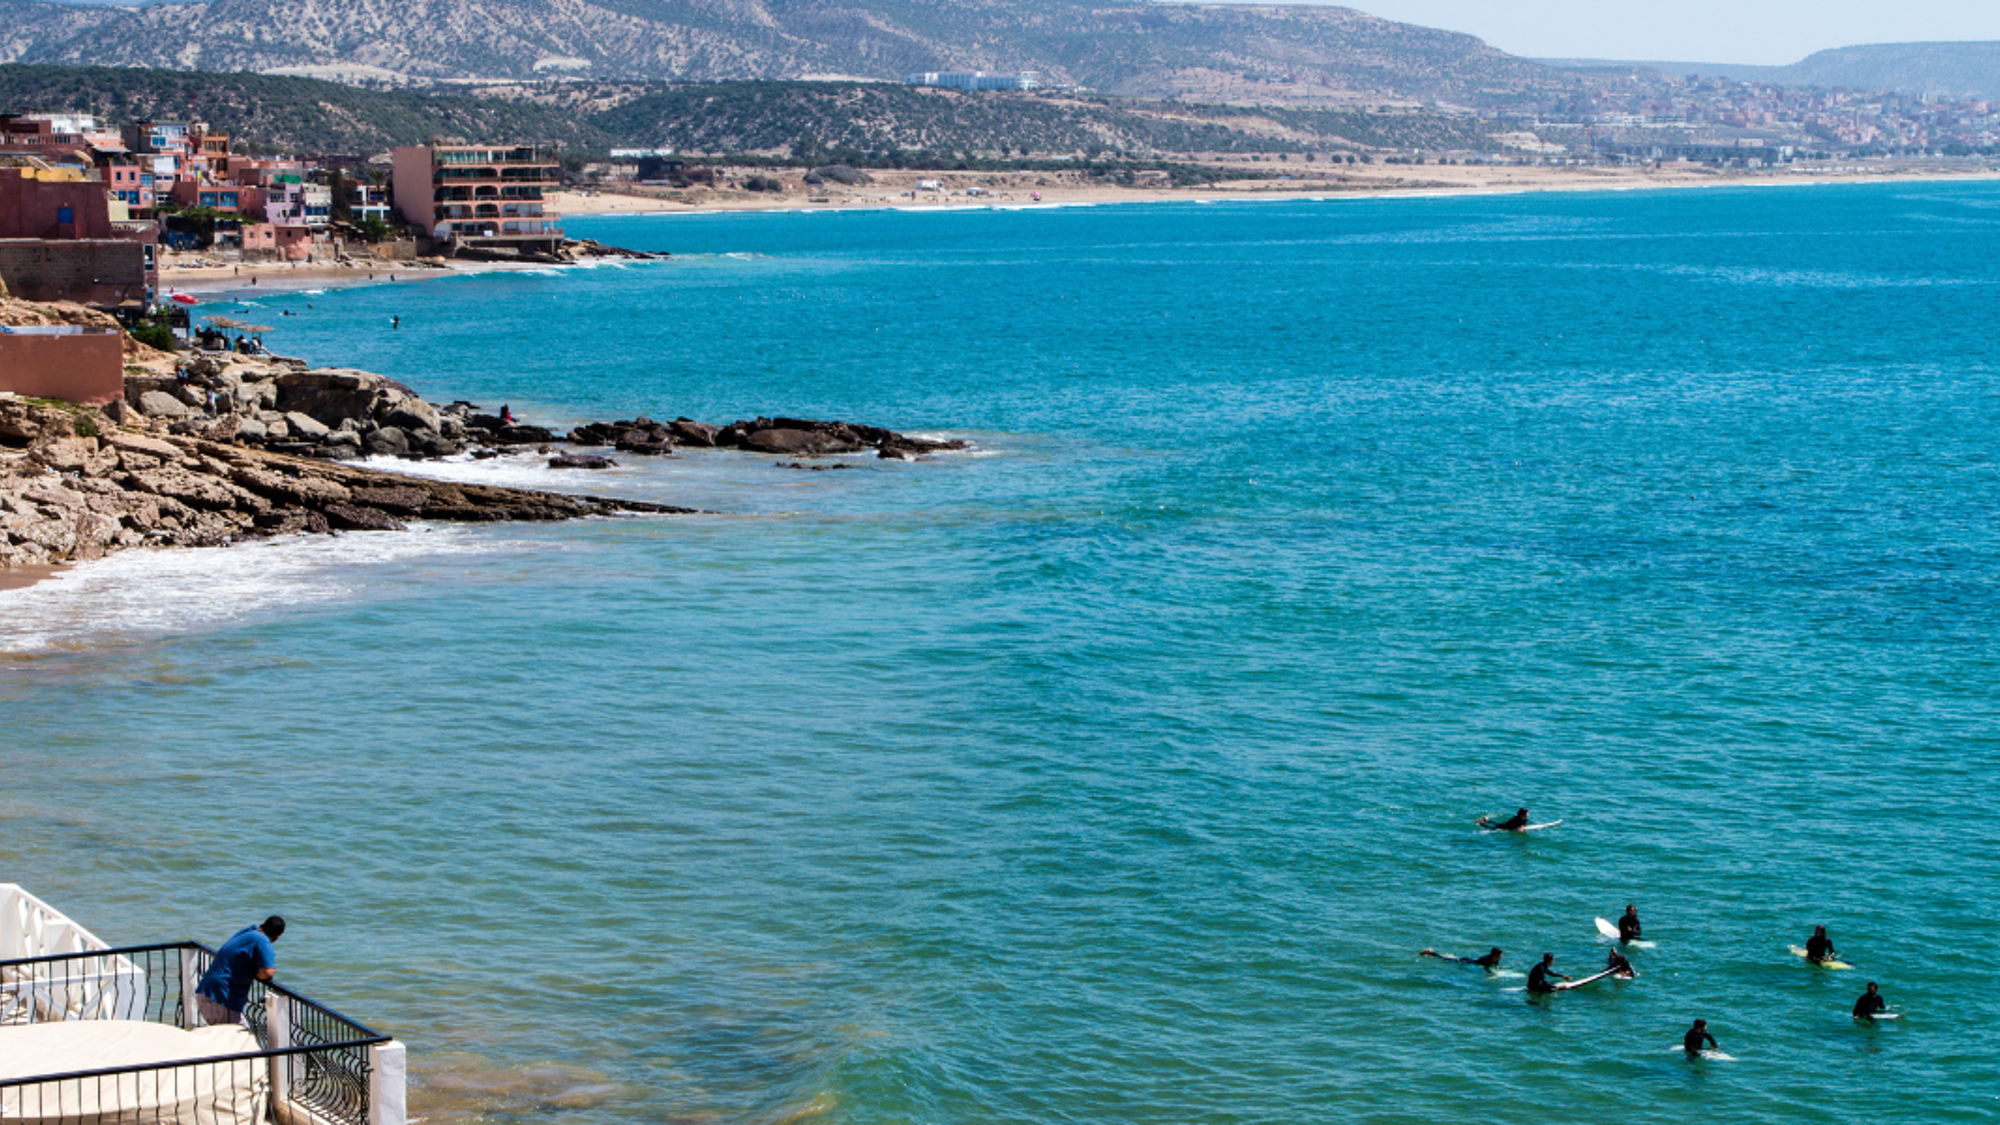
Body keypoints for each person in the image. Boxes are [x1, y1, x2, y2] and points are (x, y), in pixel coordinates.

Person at [194, 916, 285, 1026]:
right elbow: (268, 972)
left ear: (262, 924)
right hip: (221, 999)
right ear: (276, 938)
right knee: (240, 1036)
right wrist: (256, 973)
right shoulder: (263, 940)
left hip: (206, 993)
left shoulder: (246, 932)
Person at [1420, 946, 1503, 970]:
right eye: (1499, 955)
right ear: (1494, 955)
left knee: (1451, 959)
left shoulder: (1495, 959)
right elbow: (1486, 968)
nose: (1501, 957)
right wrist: (1492, 974)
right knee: (1445, 959)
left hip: (1470, 961)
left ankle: (1432, 953)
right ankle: (1431, 952)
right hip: (1467, 962)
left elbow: (1495, 965)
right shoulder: (1486, 959)